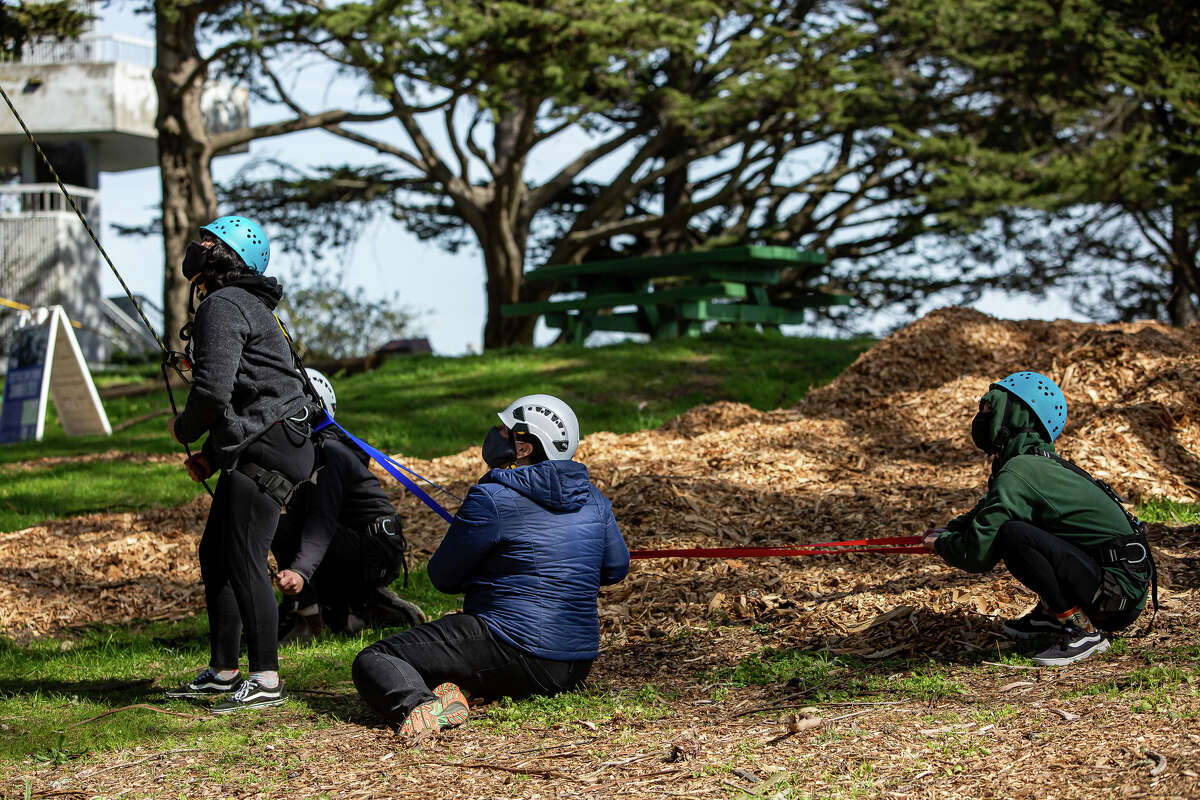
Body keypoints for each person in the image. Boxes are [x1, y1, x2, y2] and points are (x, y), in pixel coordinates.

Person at [351, 394, 630, 735]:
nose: (495, 434)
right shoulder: (595, 499)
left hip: (520, 652)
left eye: (504, 429)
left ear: (524, 447)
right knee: (455, 642)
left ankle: (420, 706)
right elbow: (615, 569)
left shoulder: (492, 497)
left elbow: (443, 576)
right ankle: (457, 691)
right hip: (575, 665)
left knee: (376, 659)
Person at [163, 216, 316, 712]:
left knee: (244, 556)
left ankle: (266, 679)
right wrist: (212, 454)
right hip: (266, 442)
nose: (197, 246)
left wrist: (186, 432)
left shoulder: (224, 305)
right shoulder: (244, 305)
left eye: (209, 241)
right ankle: (224, 671)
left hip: (269, 448)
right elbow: (247, 395)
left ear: (227, 257)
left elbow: (211, 392)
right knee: (218, 553)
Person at [923, 371, 1155, 667]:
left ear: (1018, 416)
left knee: (1013, 535)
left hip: (1115, 596)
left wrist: (943, 543)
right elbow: (983, 512)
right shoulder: (1031, 465)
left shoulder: (1021, 470)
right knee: (1017, 529)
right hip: (1117, 591)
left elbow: (976, 554)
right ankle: (1051, 615)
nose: (981, 417)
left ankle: (1082, 630)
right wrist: (951, 530)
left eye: (990, 408)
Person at [272, 369, 425, 642]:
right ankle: (365, 608)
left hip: (374, 550)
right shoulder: (311, 451)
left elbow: (321, 522)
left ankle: (311, 621)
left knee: (283, 528)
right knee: (284, 525)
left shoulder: (330, 453)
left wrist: (299, 572)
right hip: (356, 543)